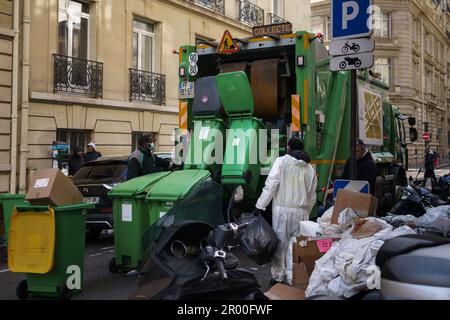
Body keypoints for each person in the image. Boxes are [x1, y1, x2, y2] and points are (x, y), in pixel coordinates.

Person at [253, 137, 317, 286]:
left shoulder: (281, 161)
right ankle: (292, 277)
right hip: (301, 212)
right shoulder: (310, 168)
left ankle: (277, 278)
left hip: (282, 210)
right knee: (295, 245)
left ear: (289, 147)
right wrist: (306, 211)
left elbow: (271, 185)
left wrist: (260, 205)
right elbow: (312, 195)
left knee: (280, 244)